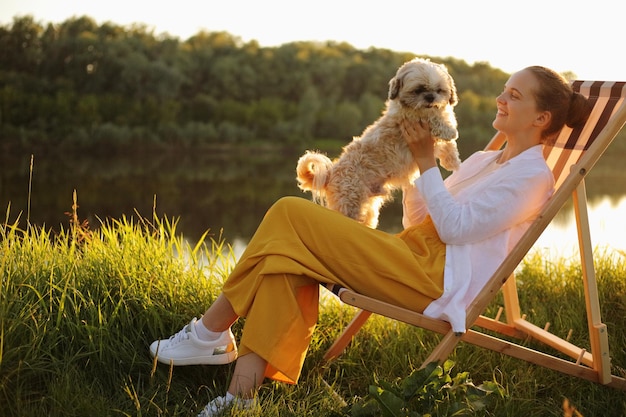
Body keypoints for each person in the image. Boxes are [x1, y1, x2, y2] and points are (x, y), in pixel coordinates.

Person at [149, 66, 592, 416]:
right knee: (287, 255)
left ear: (541, 118)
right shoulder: (485, 159)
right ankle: (240, 395)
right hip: (409, 251)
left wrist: (425, 160)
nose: (500, 98)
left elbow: (456, 229)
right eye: (504, 89)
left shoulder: (533, 177)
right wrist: (412, 169)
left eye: (514, 95)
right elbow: (423, 215)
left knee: (289, 213)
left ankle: (209, 333)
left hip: (433, 278)